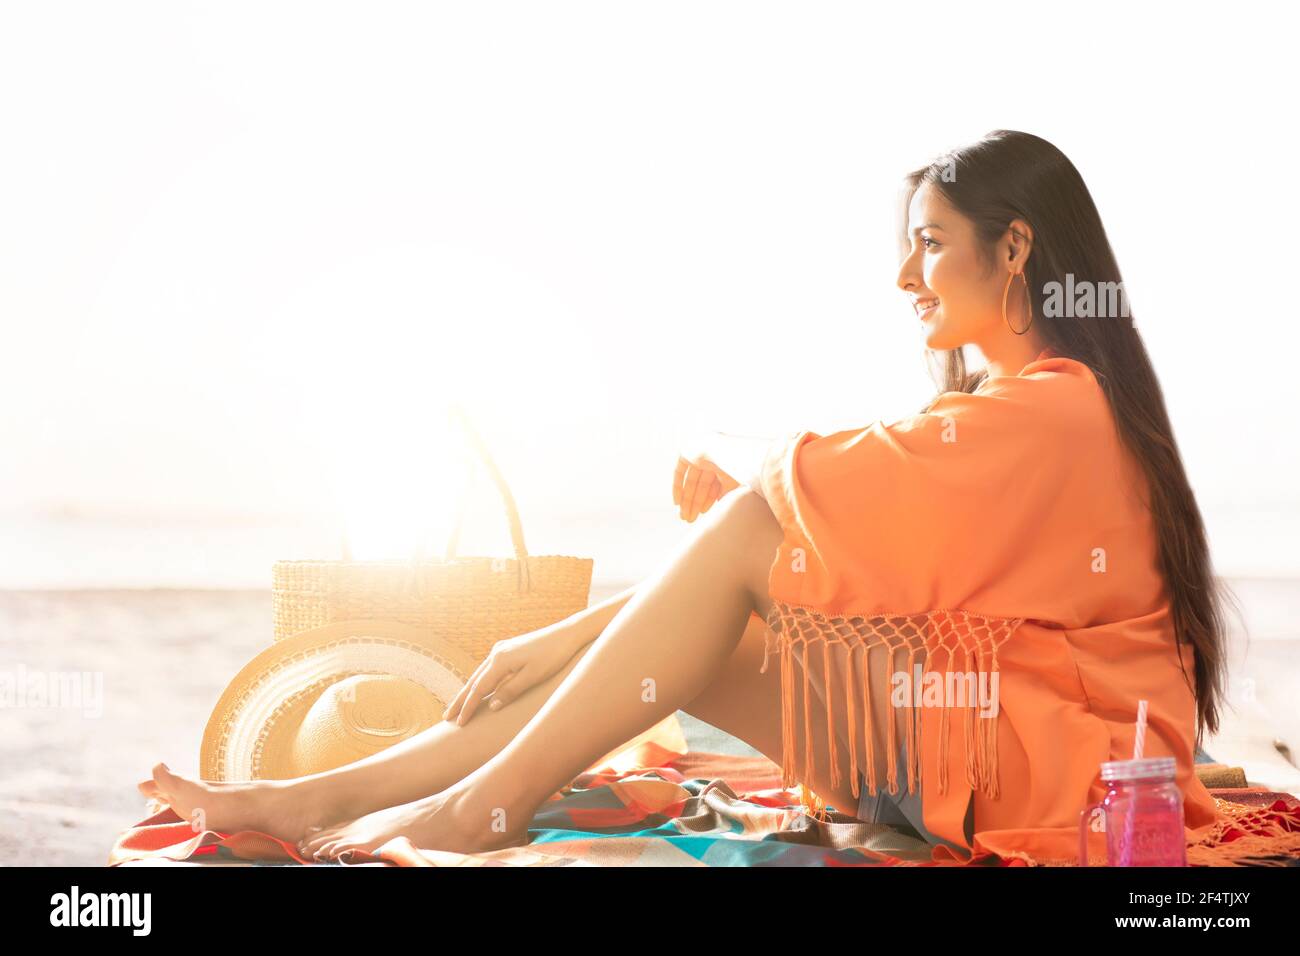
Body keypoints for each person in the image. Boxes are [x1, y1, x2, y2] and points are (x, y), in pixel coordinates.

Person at [140, 130, 1247, 865]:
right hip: (979, 746)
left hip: (1041, 774)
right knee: (709, 616)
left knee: (741, 555)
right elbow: (797, 554)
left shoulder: (1052, 410)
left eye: (929, 244)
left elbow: (783, 504)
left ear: (1014, 248)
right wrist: (594, 629)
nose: (905, 276)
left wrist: (587, 614)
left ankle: (472, 805)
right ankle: (331, 794)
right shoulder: (1034, 405)